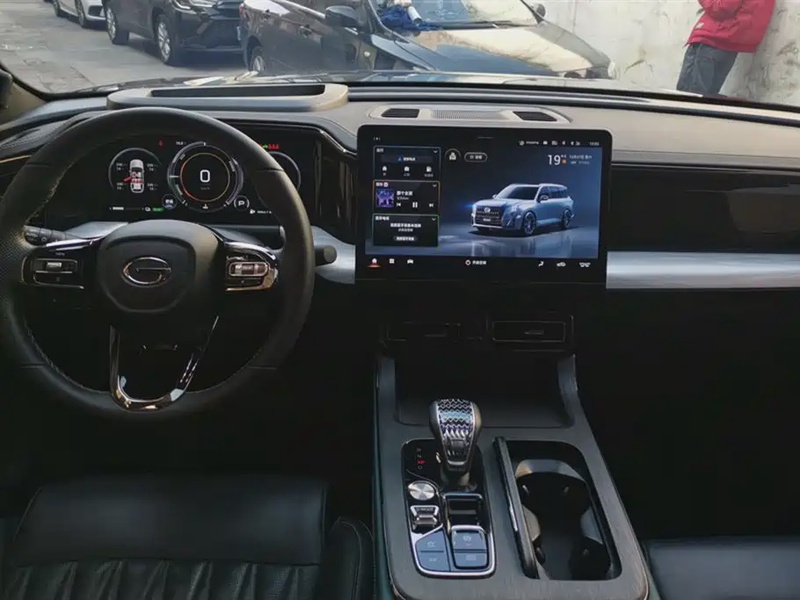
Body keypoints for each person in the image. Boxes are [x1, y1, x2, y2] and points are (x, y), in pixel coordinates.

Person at [676, 0, 775, 96]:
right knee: (707, 95)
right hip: (730, 43)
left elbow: (722, 7)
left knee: (690, 94)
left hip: (712, 39)